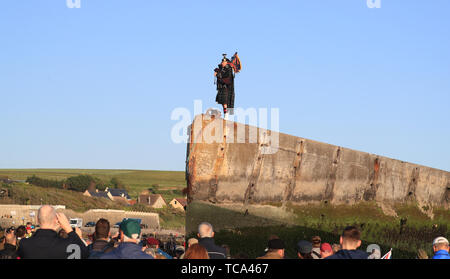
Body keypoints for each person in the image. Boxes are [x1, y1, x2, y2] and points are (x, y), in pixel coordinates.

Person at [17, 205, 89, 259]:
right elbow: (85, 254)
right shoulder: (67, 244)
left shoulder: (24, 244)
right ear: (56, 220)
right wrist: (68, 228)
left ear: (37, 220)